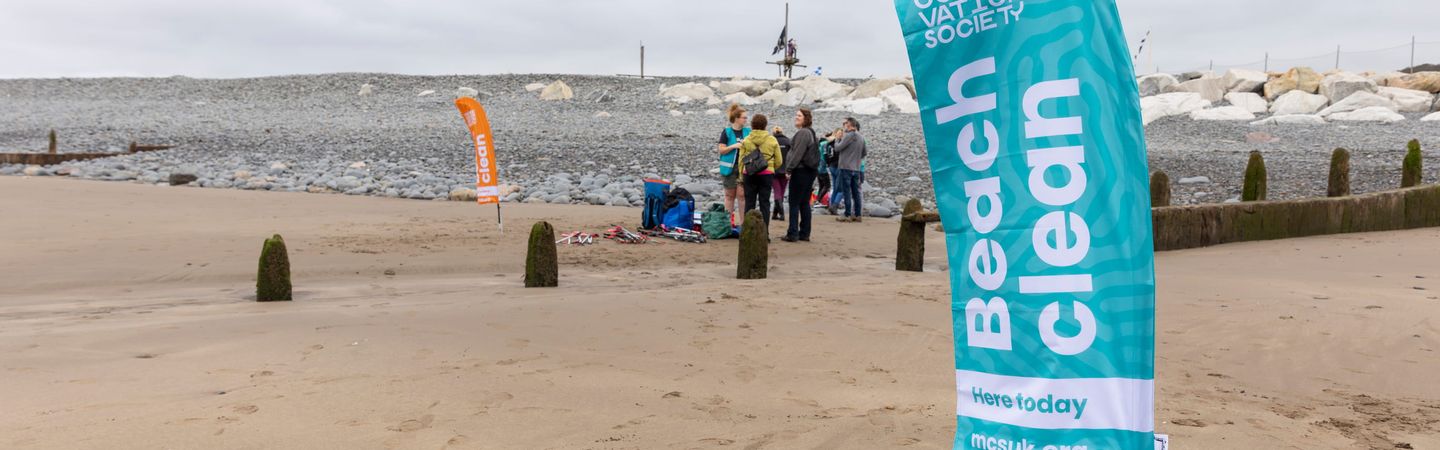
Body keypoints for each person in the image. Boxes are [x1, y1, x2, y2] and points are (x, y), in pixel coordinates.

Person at [781, 108, 819, 242]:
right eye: (796, 115)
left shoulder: (803, 133)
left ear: (805, 118)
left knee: (794, 202)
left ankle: (793, 233)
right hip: (809, 171)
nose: (796, 117)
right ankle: (804, 233)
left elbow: (798, 153)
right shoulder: (811, 133)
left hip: (801, 171)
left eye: (799, 116)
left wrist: (789, 169)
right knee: (804, 202)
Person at [738, 114, 783, 226]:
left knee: (749, 203)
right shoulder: (772, 140)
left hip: (749, 173)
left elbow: (741, 160)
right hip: (766, 174)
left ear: (752, 125)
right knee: (765, 203)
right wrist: (771, 168)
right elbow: (779, 160)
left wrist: (741, 175)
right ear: (765, 125)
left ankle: (748, 232)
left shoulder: (746, 140)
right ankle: (764, 233)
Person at [716, 104, 750, 222]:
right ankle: (727, 224)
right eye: (744, 118)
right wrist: (734, 146)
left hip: (744, 169)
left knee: (742, 196)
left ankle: (743, 224)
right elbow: (721, 149)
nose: (746, 120)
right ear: (736, 118)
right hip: (729, 169)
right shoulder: (727, 132)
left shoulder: (748, 131)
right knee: (729, 196)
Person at [833, 117, 867, 222]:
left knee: (847, 191)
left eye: (845, 123)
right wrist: (856, 158)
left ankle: (847, 214)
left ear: (849, 124)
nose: (844, 125)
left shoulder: (848, 136)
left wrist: (837, 139)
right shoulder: (861, 137)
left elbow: (838, 148)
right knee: (855, 192)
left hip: (845, 167)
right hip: (856, 168)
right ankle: (857, 214)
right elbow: (864, 153)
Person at [770, 126, 791, 222]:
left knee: (777, 192)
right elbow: (791, 156)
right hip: (785, 171)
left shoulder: (771, 141)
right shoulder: (788, 141)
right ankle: (775, 214)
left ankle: (781, 214)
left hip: (774, 170)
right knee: (781, 192)